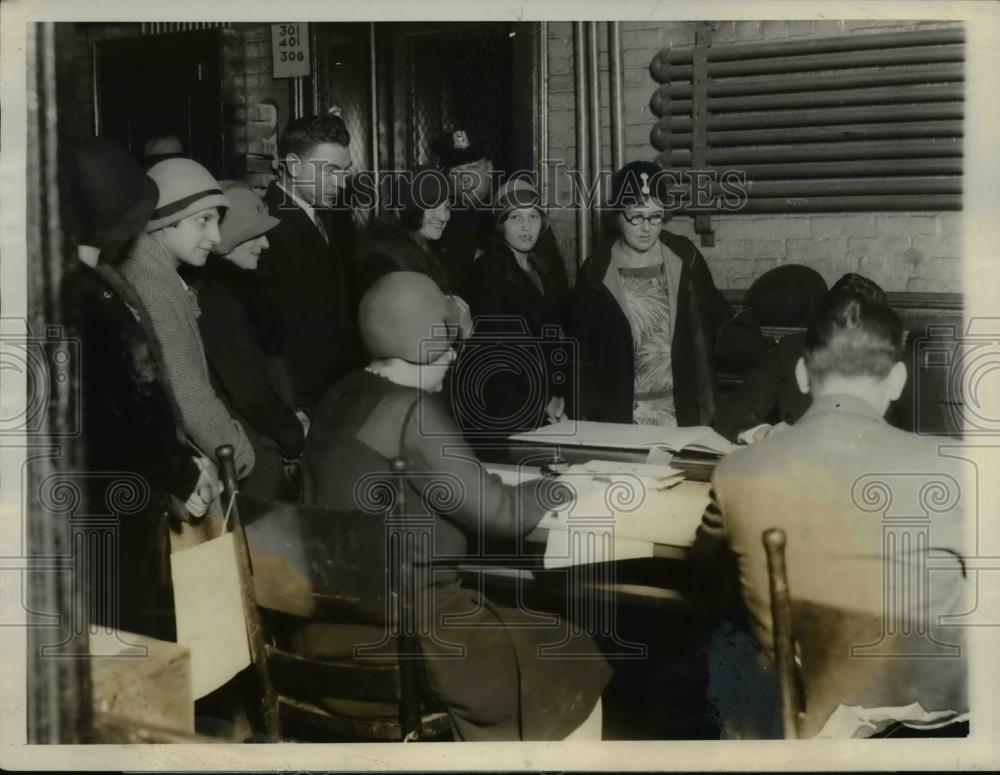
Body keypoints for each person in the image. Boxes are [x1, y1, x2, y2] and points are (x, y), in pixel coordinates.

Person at [301, 271, 611, 741]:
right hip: (410, 638)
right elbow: (500, 515)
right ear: (425, 344)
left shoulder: (340, 393)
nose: (453, 357)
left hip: (327, 635)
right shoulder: (411, 411)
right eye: (448, 344)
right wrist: (560, 486)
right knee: (572, 649)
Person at [691, 289, 968, 738]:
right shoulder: (957, 467)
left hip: (809, 711)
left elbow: (704, 574)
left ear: (802, 375)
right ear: (897, 380)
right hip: (934, 718)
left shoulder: (735, 470)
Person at [61, 137, 220, 641]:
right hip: (112, 505)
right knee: (125, 636)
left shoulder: (51, 282)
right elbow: (129, 408)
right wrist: (180, 469)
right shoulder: (91, 297)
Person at [566, 160, 765, 427]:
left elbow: (719, 320)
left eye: (656, 216)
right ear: (617, 214)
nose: (646, 227)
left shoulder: (685, 257)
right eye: (636, 216)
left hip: (681, 412)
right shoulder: (595, 273)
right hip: (620, 417)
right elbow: (582, 355)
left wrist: (760, 345)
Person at [117, 158, 256, 481]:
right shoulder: (152, 288)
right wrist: (238, 453)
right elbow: (187, 392)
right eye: (203, 221)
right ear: (163, 221)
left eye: (217, 221)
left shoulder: (154, 274)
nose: (216, 236)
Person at [191, 183, 307, 499]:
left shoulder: (235, 291)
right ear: (227, 240)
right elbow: (247, 389)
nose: (266, 244)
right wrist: (291, 433)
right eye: (254, 235)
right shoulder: (216, 300)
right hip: (252, 456)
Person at [258, 114, 361, 415]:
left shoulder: (320, 215)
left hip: (329, 392)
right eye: (329, 171)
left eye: (344, 172)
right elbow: (271, 333)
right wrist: (292, 405)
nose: (340, 182)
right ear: (292, 166)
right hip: (301, 401)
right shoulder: (268, 226)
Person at [458, 178, 570, 435]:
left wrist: (558, 394)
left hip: (543, 399)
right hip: (505, 400)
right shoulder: (488, 272)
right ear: (500, 225)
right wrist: (544, 399)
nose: (526, 227)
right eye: (515, 218)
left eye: (533, 217)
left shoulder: (540, 267)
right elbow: (500, 346)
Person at [433, 127, 565, 302]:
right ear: (445, 176)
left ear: (489, 168)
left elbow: (555, 281)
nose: (466, 179)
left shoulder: (514, 208)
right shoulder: (439, 219)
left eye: (473, 167)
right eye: (456, 172)